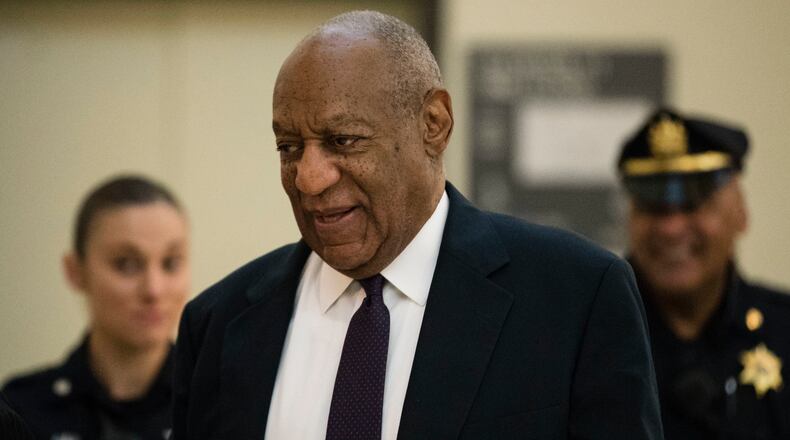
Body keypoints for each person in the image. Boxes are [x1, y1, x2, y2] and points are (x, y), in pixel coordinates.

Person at [172, 10, 663, 439]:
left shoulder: (575, 298)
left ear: (433, 123)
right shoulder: (219, 322)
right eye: (289, 147)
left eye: (343, 140)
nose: (309, 178)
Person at [617, 109, 790, 439]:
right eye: (652, 208)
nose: (671, 229)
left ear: (741, 213)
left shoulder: (784, 332)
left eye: (693, 205)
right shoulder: (589, 337)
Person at [2, 175, 190, 439]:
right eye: (126, 264)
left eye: (170, 263)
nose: (153, 290)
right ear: (75, 271)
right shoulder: (21, 410)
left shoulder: (214, 404)